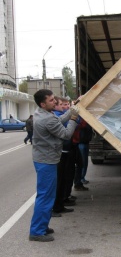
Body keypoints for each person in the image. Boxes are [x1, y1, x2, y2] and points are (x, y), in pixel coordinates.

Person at [29, 89, 79, 242]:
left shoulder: (41, 112)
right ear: (43, 104)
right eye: (52, 101)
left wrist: (71, 110)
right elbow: (65, 134)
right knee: (45, 196)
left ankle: (42, 226)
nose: (55, 102)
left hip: (43, 158)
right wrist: (74, 118)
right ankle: (37, 231)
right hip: (46, 160)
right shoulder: (47, 119)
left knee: (47, 194)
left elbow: (58, 120)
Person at [52, 96, 76, 215]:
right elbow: (66, 134)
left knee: (63, 180)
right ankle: (56, 206)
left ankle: (60, 204)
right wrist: (73, 118)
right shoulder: (52, 117)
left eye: (65, 104)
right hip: (59, 153)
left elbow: (64, 118)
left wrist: (74, 109)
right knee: (59, 181)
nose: (64, 107)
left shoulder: (55, 116)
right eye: (61, 104)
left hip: (63, 152)